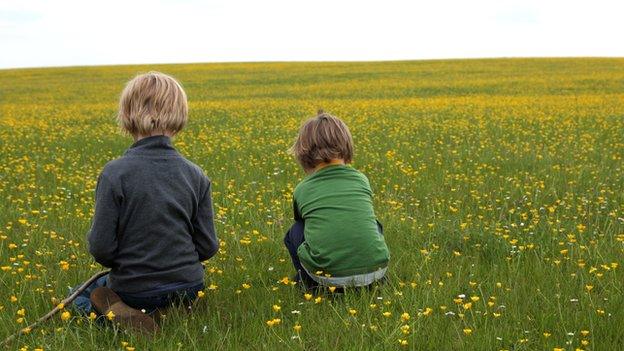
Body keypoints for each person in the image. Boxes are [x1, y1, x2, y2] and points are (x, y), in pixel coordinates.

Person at [71, 71, 219, 333]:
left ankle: (117, 316)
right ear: (179, 116)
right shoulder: (195, 174)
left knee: (80, 295)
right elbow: (208, 246)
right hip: (190, 287)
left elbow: (101, 248)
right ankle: (174, 310)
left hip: (135, 289)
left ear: (127, 115)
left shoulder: (114, 173)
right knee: (115, 288)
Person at [284, 110, 390, 290]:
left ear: (303, 152)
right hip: (377, 270)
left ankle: (308, 283)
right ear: (346, 146)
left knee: (295, 231)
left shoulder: (303, 188)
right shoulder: (361, 179)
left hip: (328, 278)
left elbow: (301, 221)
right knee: (374, 224)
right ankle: (373, 281)